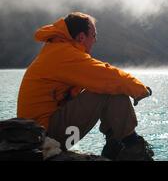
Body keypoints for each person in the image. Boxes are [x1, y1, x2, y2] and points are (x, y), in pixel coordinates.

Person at [17, 12, 154, 160]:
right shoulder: (65, 55)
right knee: (109, 88)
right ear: (81, 37)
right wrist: (140, 90)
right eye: (94, 36)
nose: (95, 40)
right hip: (44, 137)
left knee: (110, 86)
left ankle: (116, 145)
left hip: (38, 133)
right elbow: (108, 76)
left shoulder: (57, 50)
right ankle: (132, 147)